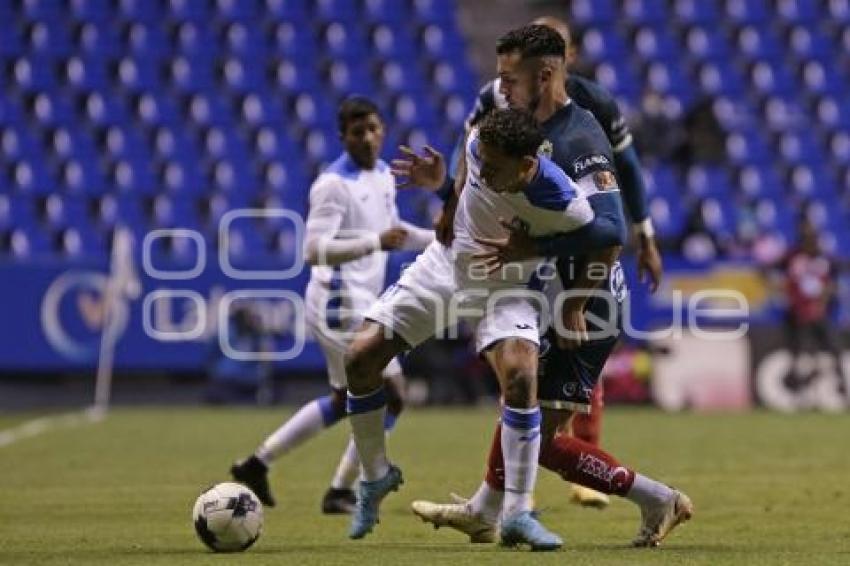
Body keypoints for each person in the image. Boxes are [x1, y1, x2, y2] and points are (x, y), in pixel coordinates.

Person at [406, 24, 693, 548]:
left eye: (510, 80)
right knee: (521, 409)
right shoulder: (518, 124)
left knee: (539, 440)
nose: (501, 90)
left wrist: (571, 296)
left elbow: (610, 230)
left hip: (591, 302)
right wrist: (447, 192)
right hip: (555, 293)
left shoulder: (580, 137)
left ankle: (658, 498)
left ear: (544, 75)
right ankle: (483, 510)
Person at [345, 107, 626, 550]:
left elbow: (607, 239)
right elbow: (468, 154)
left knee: (520, 377)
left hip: (506, 286)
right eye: (482, 160)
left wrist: (571, 293)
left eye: (495, 168)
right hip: (445, 268)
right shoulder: (479, 143)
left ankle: (517, 513)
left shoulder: (565, 203)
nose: (483, 168)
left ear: (526, 164)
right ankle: (375, 477)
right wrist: (450, 196)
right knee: (359, 357)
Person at [229, 96, 434, 513]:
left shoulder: (381, 175)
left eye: (373, 129)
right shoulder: (332, 184)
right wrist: (374, 243)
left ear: (383, 131)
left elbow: (394, 232)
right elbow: (313, 250)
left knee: (347, 399)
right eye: (357, 132)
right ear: (343, 137)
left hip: (362, 304)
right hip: (338, 304)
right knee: (391, 394)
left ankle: (257, 463)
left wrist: (441, 238)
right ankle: (341, 489)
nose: (367, 138)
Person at [781, 219, 847, 401]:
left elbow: (831, 283)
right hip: (800, 316)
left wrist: (824, 299)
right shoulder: (794, 258)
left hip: (818, 314)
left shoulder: (822, 260)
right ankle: (798, 393)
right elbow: (778, 276)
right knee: (801, 355)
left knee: (835, 350)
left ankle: (841, 388)